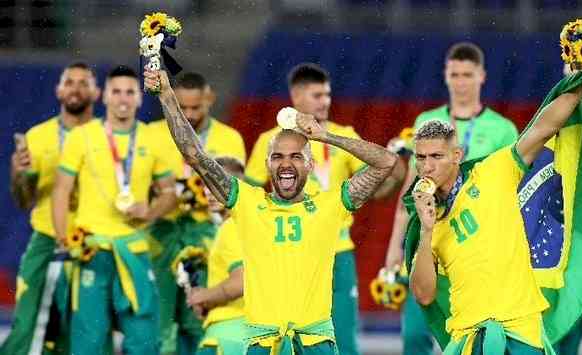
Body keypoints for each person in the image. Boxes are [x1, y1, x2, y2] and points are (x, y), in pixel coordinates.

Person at [145, 67, 398, 354]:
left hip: (315, 343)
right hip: (263, 343)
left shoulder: (330, 205)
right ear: (267, 165)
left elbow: (386, 163)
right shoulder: (247, 202)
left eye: (296, 157)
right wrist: (166, 95)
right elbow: (195, 154)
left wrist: (326, 136)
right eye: (277, 157)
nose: (286, 164)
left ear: (310, 165)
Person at [408, 63, 582, 353]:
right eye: (421, 158)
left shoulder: (494, 171)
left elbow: (544, 128)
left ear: (457, 155)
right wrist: (426, 232)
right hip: (469, 339)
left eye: (436, 156)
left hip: (521, 333)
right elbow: (424, 295)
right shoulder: (429, 219)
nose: (427, 166)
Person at [245, 63, 404, 355]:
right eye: (317, 95)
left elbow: (381, 187)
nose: (326, 101)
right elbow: (251, 197)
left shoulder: (344, 135)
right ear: (296, 96)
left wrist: (392, 180)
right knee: (286, 338)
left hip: (337, 250)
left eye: (328, 95)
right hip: (288, 252)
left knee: (344, 340)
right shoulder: (271, 143)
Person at [383, 42, 518, 354]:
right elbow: (409, 190)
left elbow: (512, 193)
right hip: (430, 240)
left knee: (472, 337)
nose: (460, 82)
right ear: (446, 76)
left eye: (467, 74)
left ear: (481, 76)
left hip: (476, 249)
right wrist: (393, 249)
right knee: (414, 335)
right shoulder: (425, 121)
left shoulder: (502, 129)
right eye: (454, 74)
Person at [51, 65, 177, 355]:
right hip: (91, 250)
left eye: (130, 92)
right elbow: (61, 190)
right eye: (116, 91)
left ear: (139, 99)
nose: (123, 98)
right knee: (89, 339)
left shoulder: (153, 139)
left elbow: (170, 194)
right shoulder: (81, 137)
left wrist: (151, 210)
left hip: (134, 251)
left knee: (144, 338)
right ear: (104, 96)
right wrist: (63, 238)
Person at [1, 62, 100, 355]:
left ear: (96, 92)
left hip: (94, 241)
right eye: (70, 82)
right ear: (58, 90)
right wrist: (18, 174)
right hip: (47, 239)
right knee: (28, 324)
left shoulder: (106, 136)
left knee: (82, 328)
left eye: (84, 83)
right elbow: (23, 200)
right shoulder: (37, 137)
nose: (76, 89)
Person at [147, 71, 246, 355]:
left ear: (210, 99)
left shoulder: (231, 138)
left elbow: (236, 188)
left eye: (195, 107)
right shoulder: (151, 134)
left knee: (197, 318)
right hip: (162, 237)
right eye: (182, 108)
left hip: (208, 237)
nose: (188, 115)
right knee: (161, 322)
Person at [188, 157, 247, 355]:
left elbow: (242, 282)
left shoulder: (231, 228)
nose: (211, 192)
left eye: (219, 184)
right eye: (207, 183)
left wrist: (203, 296)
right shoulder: (250, 225)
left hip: (228, 338)